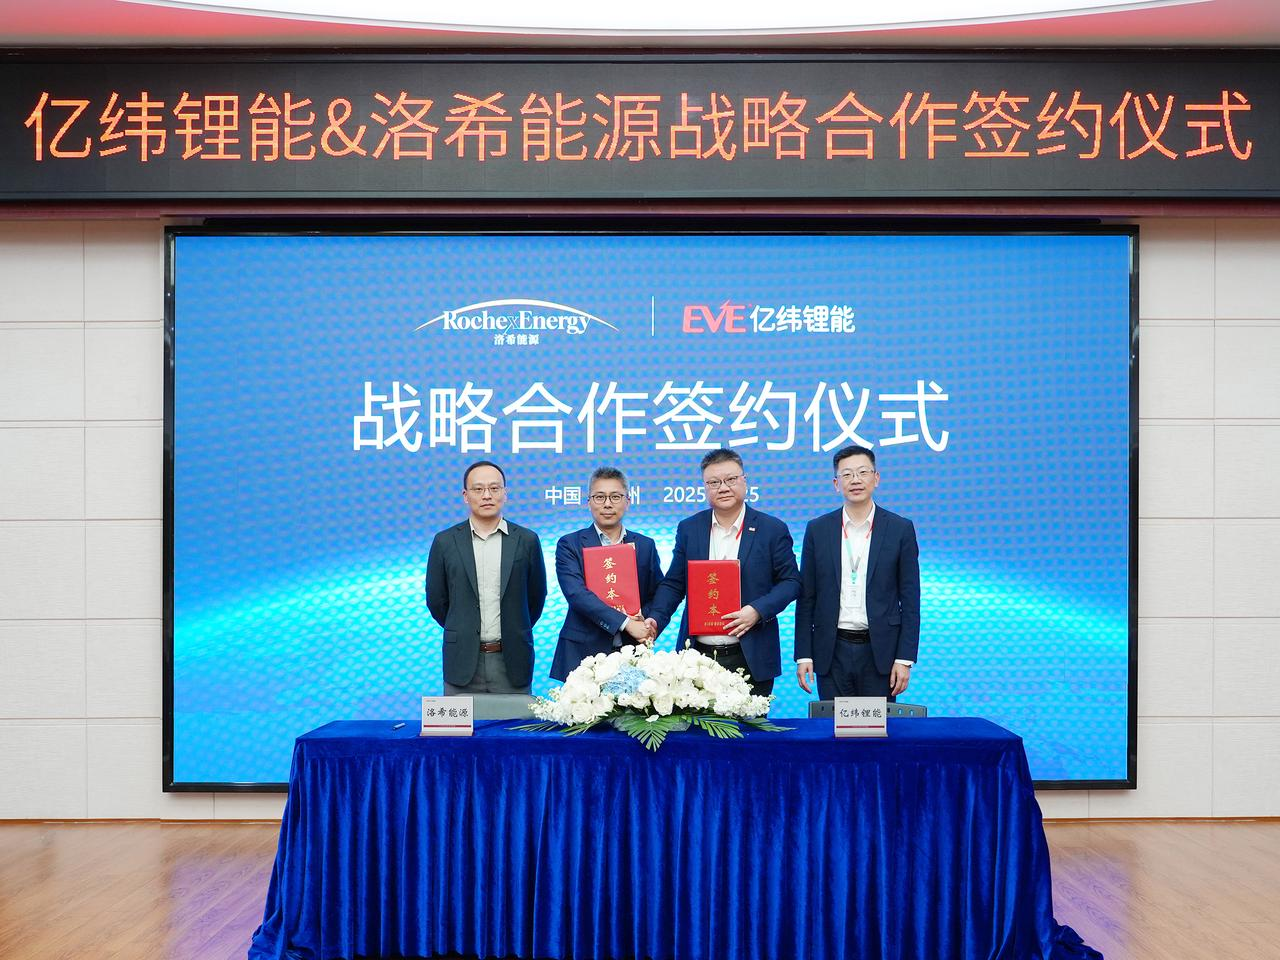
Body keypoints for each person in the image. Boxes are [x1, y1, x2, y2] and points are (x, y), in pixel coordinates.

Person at [646, 448, 800, 697]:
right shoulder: (689, 528)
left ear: (745, 481)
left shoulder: (771, 529)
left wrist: (757, 611)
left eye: (731, 479)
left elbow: (791, 582)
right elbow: (674, 583)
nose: (723, 487)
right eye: (714, 482)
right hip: (697, 659)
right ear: (705, 487)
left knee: (751, 723)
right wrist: (655, 619)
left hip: (752, 657)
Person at [795, 445, 920, 700]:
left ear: (876, 478)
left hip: (881, 652)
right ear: (836, 484)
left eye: (863, 472)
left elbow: (910, 599)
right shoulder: (818, 529)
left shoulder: (900, 529)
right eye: (847, 474)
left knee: (876, 725)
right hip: (831, 650)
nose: (855, 480)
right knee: (832, 723)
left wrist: (904, 658)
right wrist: (804, 654)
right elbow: (807, 597)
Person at [426, 460, 547, 694]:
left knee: (515, 719)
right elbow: (437, 600)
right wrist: (462, 626)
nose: (487, 495)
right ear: (465, 495)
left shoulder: (527, 540)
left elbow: (535, 597)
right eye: (478, 489)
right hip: (461, 660)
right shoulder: (445, 541)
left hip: (512, 660)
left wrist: (513, 628)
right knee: (460, 719)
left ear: (505, 493)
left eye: (494, 488)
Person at [549, 466, 664, 681]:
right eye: (600, 497)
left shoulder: (645, 545)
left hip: (633, 651)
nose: (607, 504)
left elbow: (657, 593)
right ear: (589, 502)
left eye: (615, 497)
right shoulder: (570, 544)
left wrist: (646, 622)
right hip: (583, 653)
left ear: (628, 501)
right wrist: (627, 623)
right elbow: (576, 594)